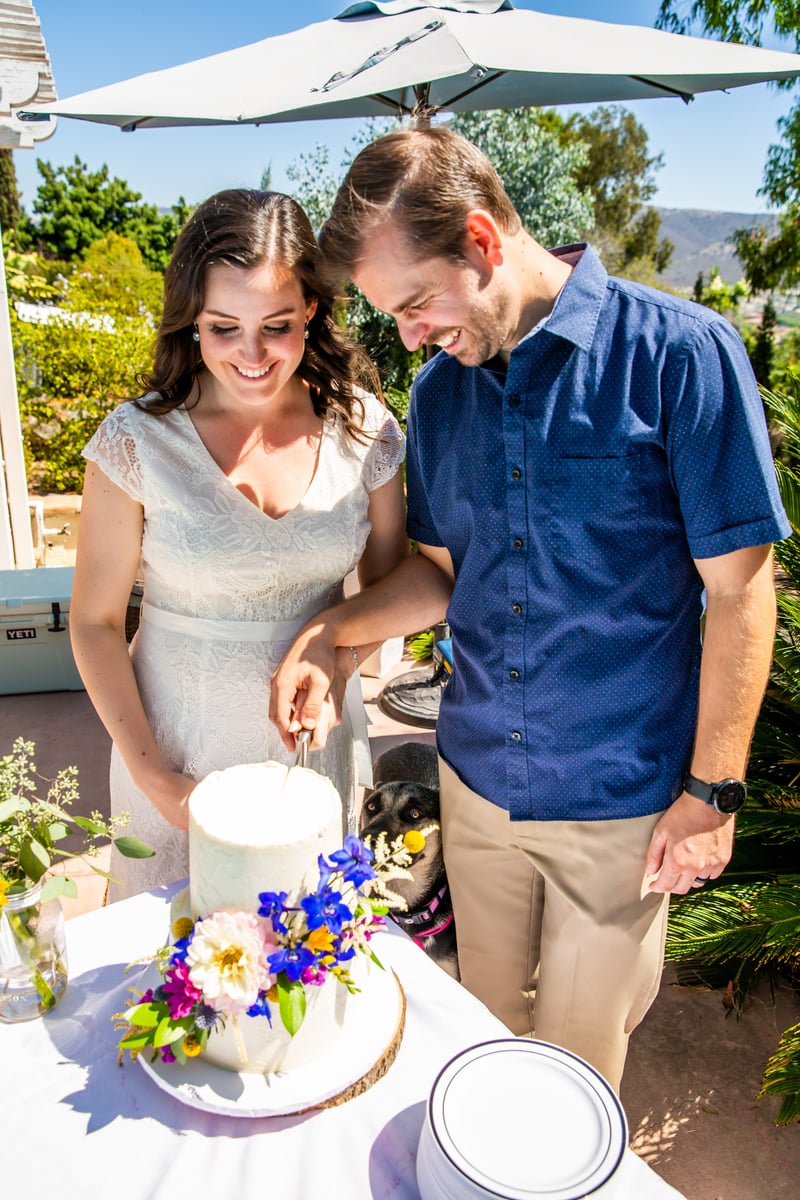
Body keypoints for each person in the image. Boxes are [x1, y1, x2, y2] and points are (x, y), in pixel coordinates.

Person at [270, 127, 791, 1092]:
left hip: (620, 803)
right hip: (474, 785)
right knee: (479, 1041)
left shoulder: (680, 355)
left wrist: (714, 793)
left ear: (481, 238)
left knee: (573, 1078)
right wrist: (330, 633)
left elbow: (740, 590)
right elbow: (441, 575)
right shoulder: (439, 395)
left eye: (416, 305)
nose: (410, 337)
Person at [71, 188, 408, 901]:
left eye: (276, 326)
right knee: (176, 953)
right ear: (192, 319)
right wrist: (155, 779)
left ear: (310, 311)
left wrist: (341, 663)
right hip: (174, 760)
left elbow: (392, 592)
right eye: (224, 327)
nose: (252, 355)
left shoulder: (366, 431)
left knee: (308, 947)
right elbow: (94, 622)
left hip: (311, 753)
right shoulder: (136, 441)